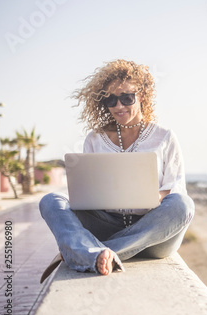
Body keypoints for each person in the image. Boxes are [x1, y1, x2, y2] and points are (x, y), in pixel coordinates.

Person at [39, 59, 195, 282]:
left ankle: (90, 252)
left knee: (183, 204)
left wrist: (148, 197)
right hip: (106, 224)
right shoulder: (95, 139)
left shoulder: (165, 137)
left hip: (152, 234)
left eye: (126, 97)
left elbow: (175, 189)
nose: (119, 106)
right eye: (111, 99)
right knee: (51, 201)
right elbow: (86, 192)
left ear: (141, 95)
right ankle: (100, 253)